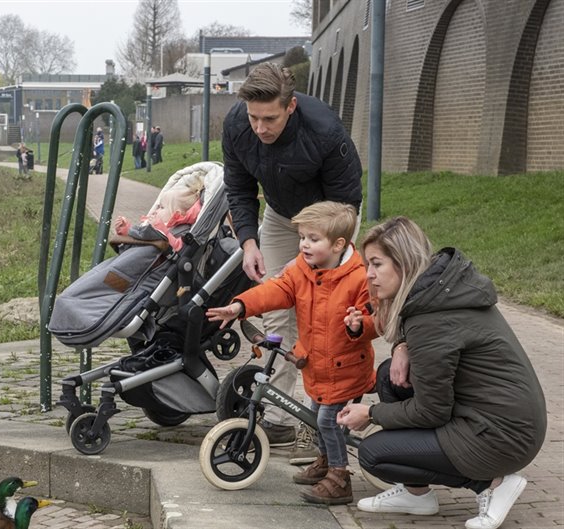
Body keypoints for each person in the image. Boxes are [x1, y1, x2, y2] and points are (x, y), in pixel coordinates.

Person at [336, 216, 547, 529]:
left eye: (377, 264)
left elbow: (431, 411)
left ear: (404, 263)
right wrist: (401, 346)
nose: (369, 274)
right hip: (497, 416)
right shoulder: (437, 291)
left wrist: (370, 413)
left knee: (373, 454)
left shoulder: (431, 321)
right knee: (388, 377)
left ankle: (491, 484)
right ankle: (416, 495)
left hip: (501, 436)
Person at [222, 61, 363, 459]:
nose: (260, 128)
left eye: (270, 119)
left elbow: (346, 205)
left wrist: (317, 252)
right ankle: (283, 418)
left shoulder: (325, 132)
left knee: (325, 316)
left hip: (329, 219)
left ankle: (324, 419)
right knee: (277, 312)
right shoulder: (237, 125)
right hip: (282, 218)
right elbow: (238, 187)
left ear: (291, 107)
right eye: (254, 118)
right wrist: (248, 242)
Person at [206, 201, 376, 505]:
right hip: (316, 365)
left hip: (346, 367)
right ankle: (326, 461)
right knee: (315, 418)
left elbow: (374, 320)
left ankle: (339, 477)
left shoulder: (359, 278)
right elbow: (277, 290)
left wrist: (357, 325)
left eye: (313, 239)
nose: (304, 245)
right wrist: (240, 306)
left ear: (338, 244)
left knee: (326, 421)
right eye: (302, 237)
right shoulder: (302, 268)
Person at [114, 177, 202, 252]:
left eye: (162, 207)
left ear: (176, 214)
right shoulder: (161, 224)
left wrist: (164, 232)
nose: (156, 210)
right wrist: (126, 231)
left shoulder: (182, 230)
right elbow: (141, 240)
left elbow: (179, 248)